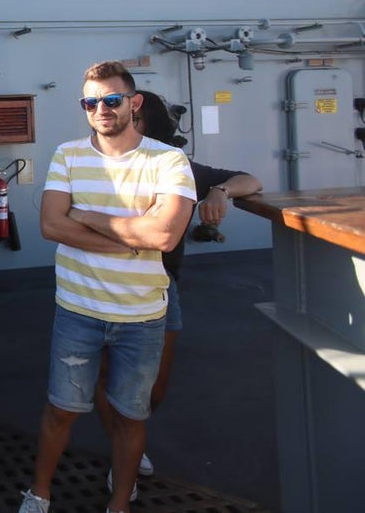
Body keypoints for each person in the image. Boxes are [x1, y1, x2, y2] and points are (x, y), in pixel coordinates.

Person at [19, 61, 196, 513]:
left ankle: (120, 503)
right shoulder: (68, 155)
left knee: (130, 415)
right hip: (78, 309)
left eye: (112, 100)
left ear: (134, 104)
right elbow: (50, 225)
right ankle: (40, 492)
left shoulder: (168, 161)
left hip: (141, 317)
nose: (101, 109)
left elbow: (163, 237)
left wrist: (86, 215)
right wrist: (131, 238)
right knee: (61, 410)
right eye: (91, 102)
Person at [93, 90, 262, 494]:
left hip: (161, 291)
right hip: (105, 286)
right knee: (105, 379)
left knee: (153, 390)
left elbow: (249, 179)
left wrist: (220, 191)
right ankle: (124, 457)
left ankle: (129, 440)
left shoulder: (177, 166)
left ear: (145, 123)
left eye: (125, 113)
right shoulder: (95, 165)